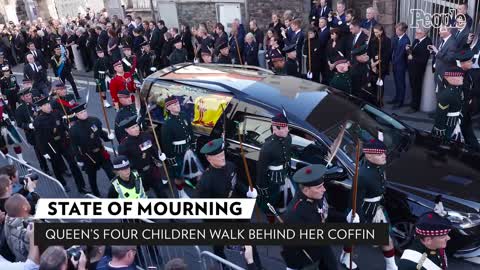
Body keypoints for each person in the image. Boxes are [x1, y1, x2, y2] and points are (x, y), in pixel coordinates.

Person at [197, 138, 261, 268]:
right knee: (219, 246)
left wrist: (247, 191)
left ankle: (256, 265)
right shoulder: (205, 182)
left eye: (222, 154)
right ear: (209, 158)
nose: (222, 158)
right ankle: (222, 264)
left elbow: (236, 183)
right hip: (219, 219)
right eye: (218, 156)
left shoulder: (230, 166)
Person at [340, 139, 397, 270]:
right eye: (379, 154)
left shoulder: (380, 165)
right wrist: (355, 216)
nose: (384, 156)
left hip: (377, 209)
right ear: (368, 155)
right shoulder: (362, 176)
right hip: (363, 211)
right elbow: (355, 199)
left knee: (386, 238)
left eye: (384, 153)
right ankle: (345, 257)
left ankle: (391, 266)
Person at [282, 165, 338, 270]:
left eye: (322, 185)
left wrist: (346, 218)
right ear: (306, 190)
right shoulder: (294, 214)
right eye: (319, 187)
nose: (324, 189)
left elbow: (326, 212)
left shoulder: (318, 196)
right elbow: (289, 246)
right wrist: (292, 266)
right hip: (308, 256)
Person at [33, 96, 87, 193]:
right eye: (45, 105)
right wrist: (44, 152)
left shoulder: (56, 113)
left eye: (48, 103)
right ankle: (63, 184)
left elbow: (63, 124)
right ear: (40, 107)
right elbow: (39, 139)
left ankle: (81, 186)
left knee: (73, 164)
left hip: (63, 143)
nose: (48, 106)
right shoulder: (38, 121)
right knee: (56, 167)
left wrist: (70, 131)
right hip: (51, 147)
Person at [69, 103, 116, 197]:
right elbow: (74, 146)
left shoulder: (94, 121)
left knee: (112, 174)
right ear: (77, 115)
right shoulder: (74, 129)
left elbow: (101, 134)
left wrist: (108, 137)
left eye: (84, 111)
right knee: (92, 178)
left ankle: (118, 191)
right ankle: (96, 195)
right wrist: (79, 159)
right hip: (88, 156)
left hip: (101, 152)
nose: (84, 113)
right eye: (81, 112)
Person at [118, 116, 168, 198]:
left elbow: (153, 149)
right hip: (138, 174)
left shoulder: (146, 136)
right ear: (126, 130)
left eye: (137, 126)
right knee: (141, 196)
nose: (136, 129)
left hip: (152, 170)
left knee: (162, 193)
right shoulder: (124, 145)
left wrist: (159, 156)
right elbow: (126, 164)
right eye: (133, 128)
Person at [257, 113, 293, 223]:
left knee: (287, 198)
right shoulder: (267, 148)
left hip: (285, 174)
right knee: (270, 201)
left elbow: (288, 154)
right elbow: (261, 170)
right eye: (284, 128)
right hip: (273, 179)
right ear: (275, 129)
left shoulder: (288, 138)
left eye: (287, 127)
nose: (287, 130)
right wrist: (262, 188)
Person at [161, 96, 198, 198]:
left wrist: (193, 142)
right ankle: (181, 193)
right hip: (178, 153)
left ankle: (193, 184)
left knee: (193, 169)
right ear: (168, 108)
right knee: (178, 176)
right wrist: (171, 158)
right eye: (174, 104)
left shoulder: (184, 116)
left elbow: (190, 130)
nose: (177, 106)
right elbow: (166, 144)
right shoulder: (167, 124)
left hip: (188, 149)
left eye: (177, 103)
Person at [14, 87, 49, 173]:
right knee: (40, 151)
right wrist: (28, 125)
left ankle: (61, 168)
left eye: (30, 94)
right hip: (33, 134)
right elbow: (19, 124)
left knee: (50, 148)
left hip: (44, 130)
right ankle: (45, 168)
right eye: (27, 96)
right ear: (22, 98)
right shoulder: (19, 110)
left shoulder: (37, 103)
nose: (29, 97)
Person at [432, 68, 464, 142]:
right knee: (444, 143)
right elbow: (440, 114)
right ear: (449, 79)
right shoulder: (446, 95)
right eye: (459, 76)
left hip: (455, 122)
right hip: (448, 124)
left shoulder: (458, 90)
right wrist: (439, 128)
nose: (462, 78)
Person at [456, 49, 480, 151]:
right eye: (470, 61)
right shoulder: (456, 75)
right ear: (462, 63)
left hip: (465, 111)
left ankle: (475, 150)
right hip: (457, 112)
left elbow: (472, 89)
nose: (472, 63)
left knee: (468, 132)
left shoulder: (468, 73)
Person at [406, 27, 432, 113]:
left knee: (417, 87)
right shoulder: (416, 40)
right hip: (412, 68)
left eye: (418, 33)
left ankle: (415, 107)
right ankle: (412, 102)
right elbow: (413, 51)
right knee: (413, 86)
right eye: (416, 32)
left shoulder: (427, 42)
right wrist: (409, 49)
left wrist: (412, 58)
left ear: (424, 34)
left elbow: (424, 59)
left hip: (418, 69)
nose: (416, 34)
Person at [3, 194, 33, 262]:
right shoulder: (30, 226)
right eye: (26, 201)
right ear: (24, 207)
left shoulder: (7, 221)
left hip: (18, 258)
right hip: (31, 263)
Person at [430, 25, 457, 95]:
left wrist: (437, 52)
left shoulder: (452, 42)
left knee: (442, 95)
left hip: (445, 74)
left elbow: (450, 59)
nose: (439, 32)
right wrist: (434, 52)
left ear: (448, 31)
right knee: (438, 93)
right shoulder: (442, 40)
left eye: (441, 30)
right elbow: (440, 55)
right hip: (438, 72)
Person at [389, 22, 411, 108]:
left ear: (403, 31)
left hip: (401, 65)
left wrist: (394, 62)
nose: (396, 31)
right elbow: (392, 49)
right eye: (396, 29)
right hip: (395, 64)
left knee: (401, 83)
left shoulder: (406, 40)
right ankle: (397, 98)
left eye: (397, 30)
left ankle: (400, 101)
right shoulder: (395, 38)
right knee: (396, 82)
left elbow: (402, 54)